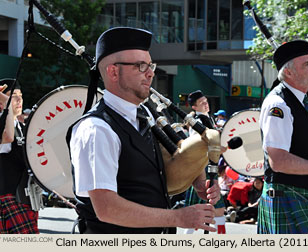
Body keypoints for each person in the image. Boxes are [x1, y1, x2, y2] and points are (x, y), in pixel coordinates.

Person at [68, 27, 220, 234]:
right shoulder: (96, 130)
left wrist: (197, 180)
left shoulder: (143, 117)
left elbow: (154, 169)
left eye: (150, 65)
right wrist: (178, 217)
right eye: (140, 66)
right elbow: (107, 208)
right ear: (113, 71)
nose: (150, 73)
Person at [258, 40, 308, 234]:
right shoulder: (279, 105)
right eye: (307, 64)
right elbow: (278, 161)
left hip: (305, 194)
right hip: (286, 196)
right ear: (289, 73)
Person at [0, 79, 39, 234]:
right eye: (13, 96)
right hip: (9, 196)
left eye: (20, 95)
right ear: (0, 103)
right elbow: (7, 138)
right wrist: (8, 106)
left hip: (27, 197)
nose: (19, 99)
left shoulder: (21, 127)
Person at [183, 90, 226, 234]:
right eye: (202, 103)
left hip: (209, 166)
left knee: (218, 210)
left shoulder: (208, 119)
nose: (206, 105)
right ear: (194, 107)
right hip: (201, 168)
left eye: (206, 101)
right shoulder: (197, 122)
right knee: (198, 212)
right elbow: (198, 146)